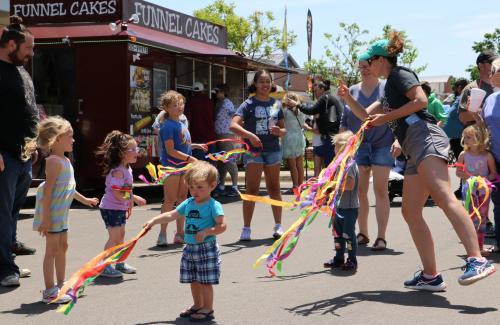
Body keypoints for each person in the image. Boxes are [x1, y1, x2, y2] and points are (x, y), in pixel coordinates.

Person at [338, 31, 495, 291]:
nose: (366, 66)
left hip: (425, 137)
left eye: (369, 61)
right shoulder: (388, 88)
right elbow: (365, 115)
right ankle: (431, 275)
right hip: (413, 145)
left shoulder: (400, 74)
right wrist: (347, 97)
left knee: (444, 196)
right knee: (411, 212)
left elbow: (420, 100)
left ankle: (476, 259)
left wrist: (387, 119)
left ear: (381, 60)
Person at [143, 161, 226, 322]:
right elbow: (172, 214)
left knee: (205, 281)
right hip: (190, 248)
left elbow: (222, 225)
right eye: (192, 187)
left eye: (200, 187)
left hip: (206, 248)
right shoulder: (189, 203)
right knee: (193, 279)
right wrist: (154, 220)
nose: (195, 191)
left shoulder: (213, 205)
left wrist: (208, 231)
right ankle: (197, 304)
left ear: (212, 185)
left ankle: (208, 308)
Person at [32, 116, 99, 303]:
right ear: (57, 139)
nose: (74, 140)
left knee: (63, 247)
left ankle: (61, 285)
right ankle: (49, 291)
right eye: (70, 136)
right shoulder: (53, 161)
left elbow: (68, 187)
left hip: (62, 215)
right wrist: (45, 219)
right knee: (51, 251)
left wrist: (84, 199)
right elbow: (48, 192)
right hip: (53, 214)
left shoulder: (66, 161)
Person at [340, 60, 397, 251]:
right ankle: (363, 232)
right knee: (360, 191)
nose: (364, 70)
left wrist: (398, 140)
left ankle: (381, 237)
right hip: (358, 146)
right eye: (361, 67)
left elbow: (393, 116)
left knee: (381, 191)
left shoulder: (386, 88)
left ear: (376, 66)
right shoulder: (352, 90)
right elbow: (345, 121)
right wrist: (341, 146)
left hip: (383, 144)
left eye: (367, 66)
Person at [0, 15, 38, 287]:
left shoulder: (22, 72)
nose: (31, 54)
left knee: (11, 214)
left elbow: (30, 110)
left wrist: (35, 144)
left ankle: (8, 256)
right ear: (11, 45)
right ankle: (4, 269)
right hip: (4, 157)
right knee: (1, 215)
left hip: (24, 156)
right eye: (28, 49)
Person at [230, 70, 286, 241]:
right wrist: (250, 136)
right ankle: (246, 228)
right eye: (261, 81)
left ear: (271, 83)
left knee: (274, 189)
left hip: (273, 150)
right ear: (255, 84)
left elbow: (284, 130)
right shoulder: (248, 104)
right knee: (252, 190)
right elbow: (233, 125)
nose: (265, 85)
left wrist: (279, 131)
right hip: (254, 152)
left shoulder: (276, 104)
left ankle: (278, 226)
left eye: (267, 81)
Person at [156, 90, 207, 246]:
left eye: (180, 104)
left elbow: (182, 144)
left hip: (184, 167)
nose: (179, 107)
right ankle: (162, 234)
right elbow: (170, 150)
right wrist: (190, 158)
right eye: (174, 105)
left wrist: (195, 146)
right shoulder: (167, 126)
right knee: (170, 200)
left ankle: (179, 233)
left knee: (182, 200)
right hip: (171, 167)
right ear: (166, 108)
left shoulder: (181, 123)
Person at [95, 131, 147, 277]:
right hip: (110, 208)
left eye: (136, 148)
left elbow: (126, 189)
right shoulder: (118, 171)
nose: (137, 151)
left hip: (118, 208)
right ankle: (104, 266)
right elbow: (118, 193)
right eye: (133, 149)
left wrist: (129, 204)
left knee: (121, 236)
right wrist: (134, 198)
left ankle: (119, 263)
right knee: (114, 237)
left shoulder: (127, 168)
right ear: (121, 153)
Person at [455, 125, 497, 256]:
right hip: (469, 193)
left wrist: (482, 180)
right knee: (470, 219)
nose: (465, 139)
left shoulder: (487, 156)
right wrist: (469, 178)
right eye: (465, 137)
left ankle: (479, 247)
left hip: (483, 193)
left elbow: (493, 174)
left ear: (478, 138)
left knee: (482, 219)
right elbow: (458, 172)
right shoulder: (463, 155)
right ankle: (472, 248)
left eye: (469, 137)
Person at [323, 131, 359, 271]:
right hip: (338, 207)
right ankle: (339, 258)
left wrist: (334, 185)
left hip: (349, 208)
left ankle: (352, 259)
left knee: (348, 235)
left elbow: (349, 185)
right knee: (337, 235)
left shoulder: (349, 165)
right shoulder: (338, 165)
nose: (334, 150)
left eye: (337, 147)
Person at [293, 79, 344, 168]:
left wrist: (298, 105)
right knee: (331, 165)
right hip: (333, 136)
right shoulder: (331, 98)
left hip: (330, 137)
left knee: (330, 167)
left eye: (316, 91)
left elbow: (311, 110)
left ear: (322, 89)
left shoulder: (325, 97)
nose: (314, 93)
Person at [481, 57, 500, 253]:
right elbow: (485, 127)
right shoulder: (490, 99)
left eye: (494, 71)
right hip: (495, 157)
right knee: (498, 202)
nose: (490, 75)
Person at [443, 78, 469, 199]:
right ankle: (463, 187)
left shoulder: (462, 100)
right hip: (455, 137)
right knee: (461, 163)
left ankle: (463, 188)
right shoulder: (457, 100)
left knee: (463, 163)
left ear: (460, 88)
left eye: (456, 87)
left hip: (460, 137)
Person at [459, 51, 498, 127]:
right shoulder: (471, 88)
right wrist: (487, 110)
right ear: (481, 66)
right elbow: (462, 117)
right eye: (492, 62)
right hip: (481, 136)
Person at [213, 84, 239, 197]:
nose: (216, 93)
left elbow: (234, 115)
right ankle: (222, 186)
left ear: (223, 92)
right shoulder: (219, 103)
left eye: (218, 91)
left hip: (226, 134)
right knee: (222, 161)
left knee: (228, 159)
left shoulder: (227, 103)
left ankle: (235, 187)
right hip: (219, 134)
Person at [282, 92, 309, 193]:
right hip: (299, 137)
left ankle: (295, 186)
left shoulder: (285, 112)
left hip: (289, 139)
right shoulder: (300, 111)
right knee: (300, 165)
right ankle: (301, 186)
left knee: (293, 165)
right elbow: (303, 124)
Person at [184, 82, 217, 162]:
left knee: (200, 164)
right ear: (203, 91)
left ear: (192, 91)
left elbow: (187, 120)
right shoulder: (209, 101)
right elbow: (214, 118)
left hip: (197, 138)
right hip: (211, 137)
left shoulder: (189, 102)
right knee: (211, 163)